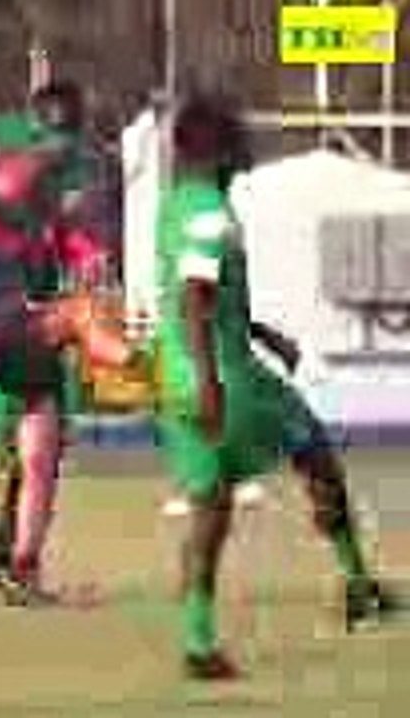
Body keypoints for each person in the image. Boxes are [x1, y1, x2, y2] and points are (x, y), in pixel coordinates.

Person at [155, 95, 396, 680]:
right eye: (238, 137)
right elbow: (193, 298)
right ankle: (357, 582)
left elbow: (196, 292)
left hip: (177, 376)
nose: (248, 146)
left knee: (210, 510)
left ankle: (198, 642)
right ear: (217, 150)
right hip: (228, 379)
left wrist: (263, 333)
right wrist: (212, 381)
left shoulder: (175, 206)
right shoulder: (211, 214)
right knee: (315, 453)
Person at [0, 111, 128, 605]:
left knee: (37, 459)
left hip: (37, 341)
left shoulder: (44, 210)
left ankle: (7, 560)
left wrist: (91, 259)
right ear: (10, 158)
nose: (44, 161)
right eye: (35, 153)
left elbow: (77, 249)